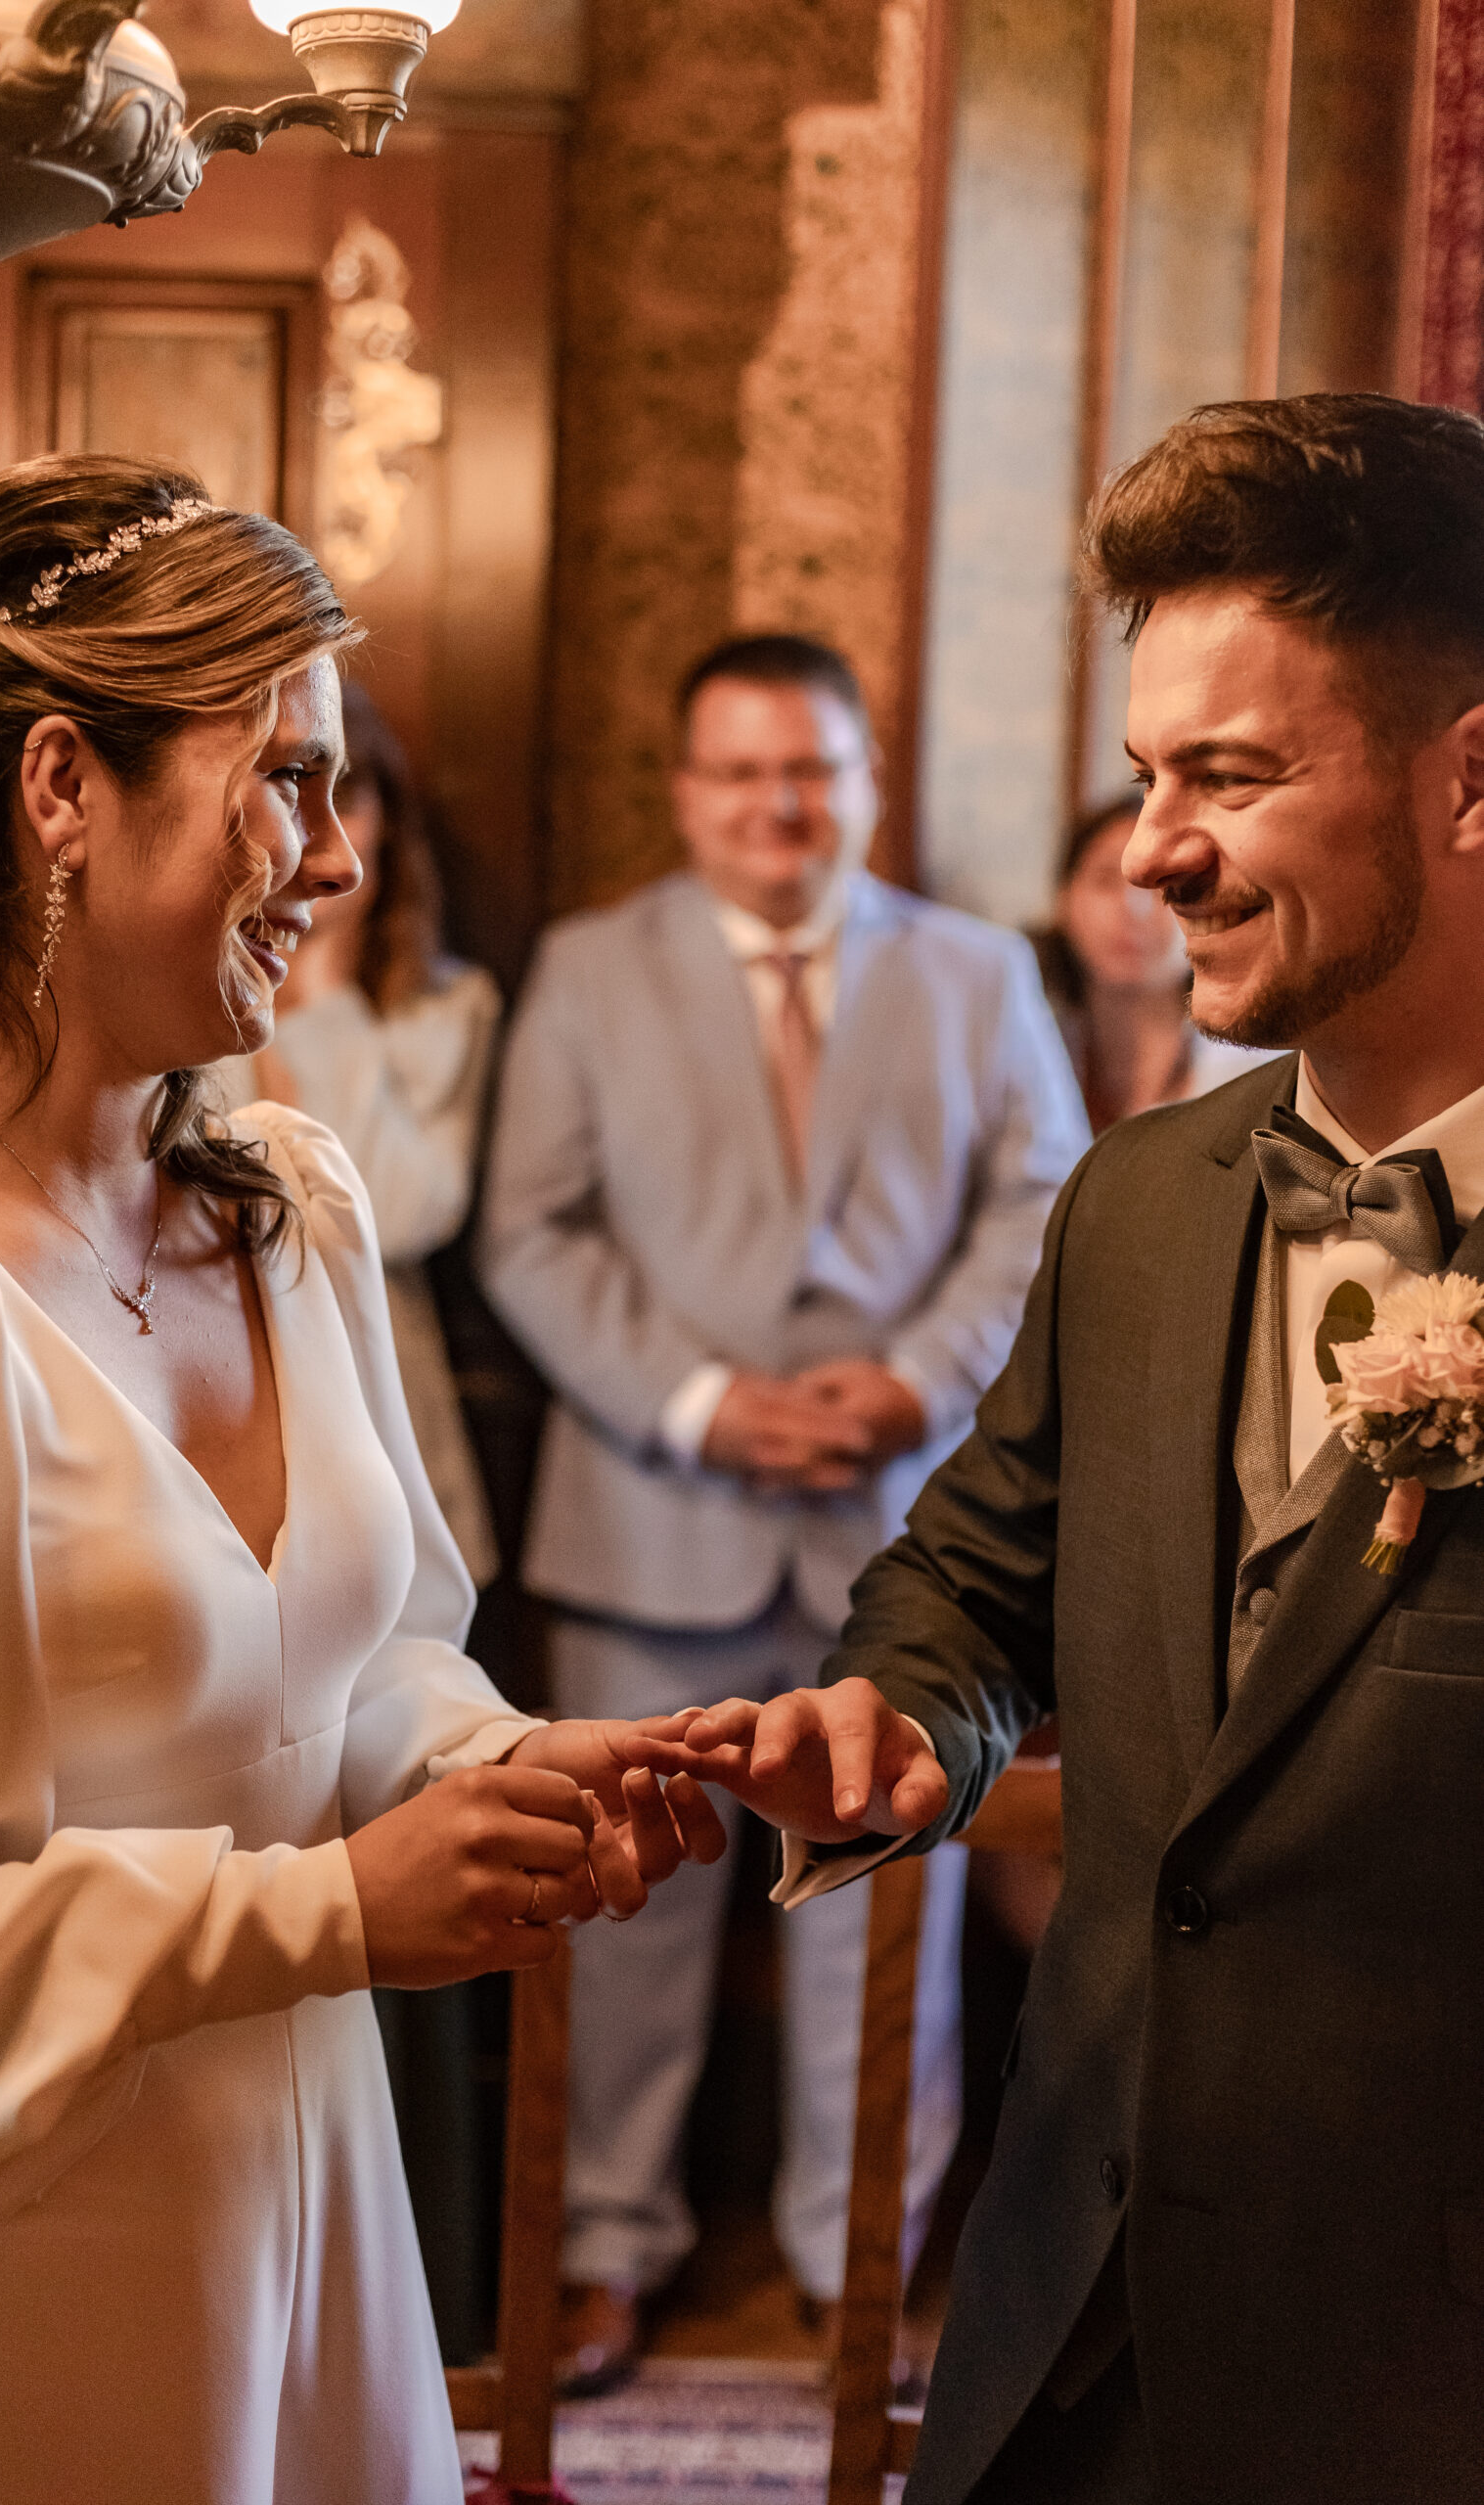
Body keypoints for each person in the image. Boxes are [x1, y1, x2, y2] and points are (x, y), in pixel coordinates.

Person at [0, 453, 728, 2505]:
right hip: (20, 2247)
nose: (336, 856)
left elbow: (361, 1652)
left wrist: (500, 1767)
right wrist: (319, 1910)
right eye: (286, 780)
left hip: (316, 2183)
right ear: (62, 787)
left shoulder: (286, 1201)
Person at [635, 392, 1484, 2503]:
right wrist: (901, 1710)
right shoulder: (1136, 1201)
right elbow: (974, 1569)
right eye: (1144, 776)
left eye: (1229, 775)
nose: (1147, 851)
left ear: (1469, 777)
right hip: (1063, 2345)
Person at [477, 632, 1088, 2385]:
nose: (778, 807)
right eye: (740, 773)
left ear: (865, 783)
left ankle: (855, 2262)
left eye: (810, 770)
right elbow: (531, 1229)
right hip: (646, 1518)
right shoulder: (587, 968)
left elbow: (1046, 1203)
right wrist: (697, 1403)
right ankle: (603, 2249)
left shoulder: (974, 969)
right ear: (685, 794)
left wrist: (910, 1383)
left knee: (884, 1923)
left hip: (907, 1536)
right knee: (621, 1915)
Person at [220, 682, 500, 1586]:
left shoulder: (444, 1005)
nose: (322, 831)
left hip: (382, 1399)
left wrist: (325, 994)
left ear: (386, 823)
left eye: (352, 794)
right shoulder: (190, 993)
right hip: (219, 1382)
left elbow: (405, 1213)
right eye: (290, 786)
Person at [1034, 795, 1273, 1133]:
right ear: (1062, 900)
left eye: (1165, 885)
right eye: (1106, 880)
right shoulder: (1022, 1038)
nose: (1134, 908)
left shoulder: (1258, 1070)